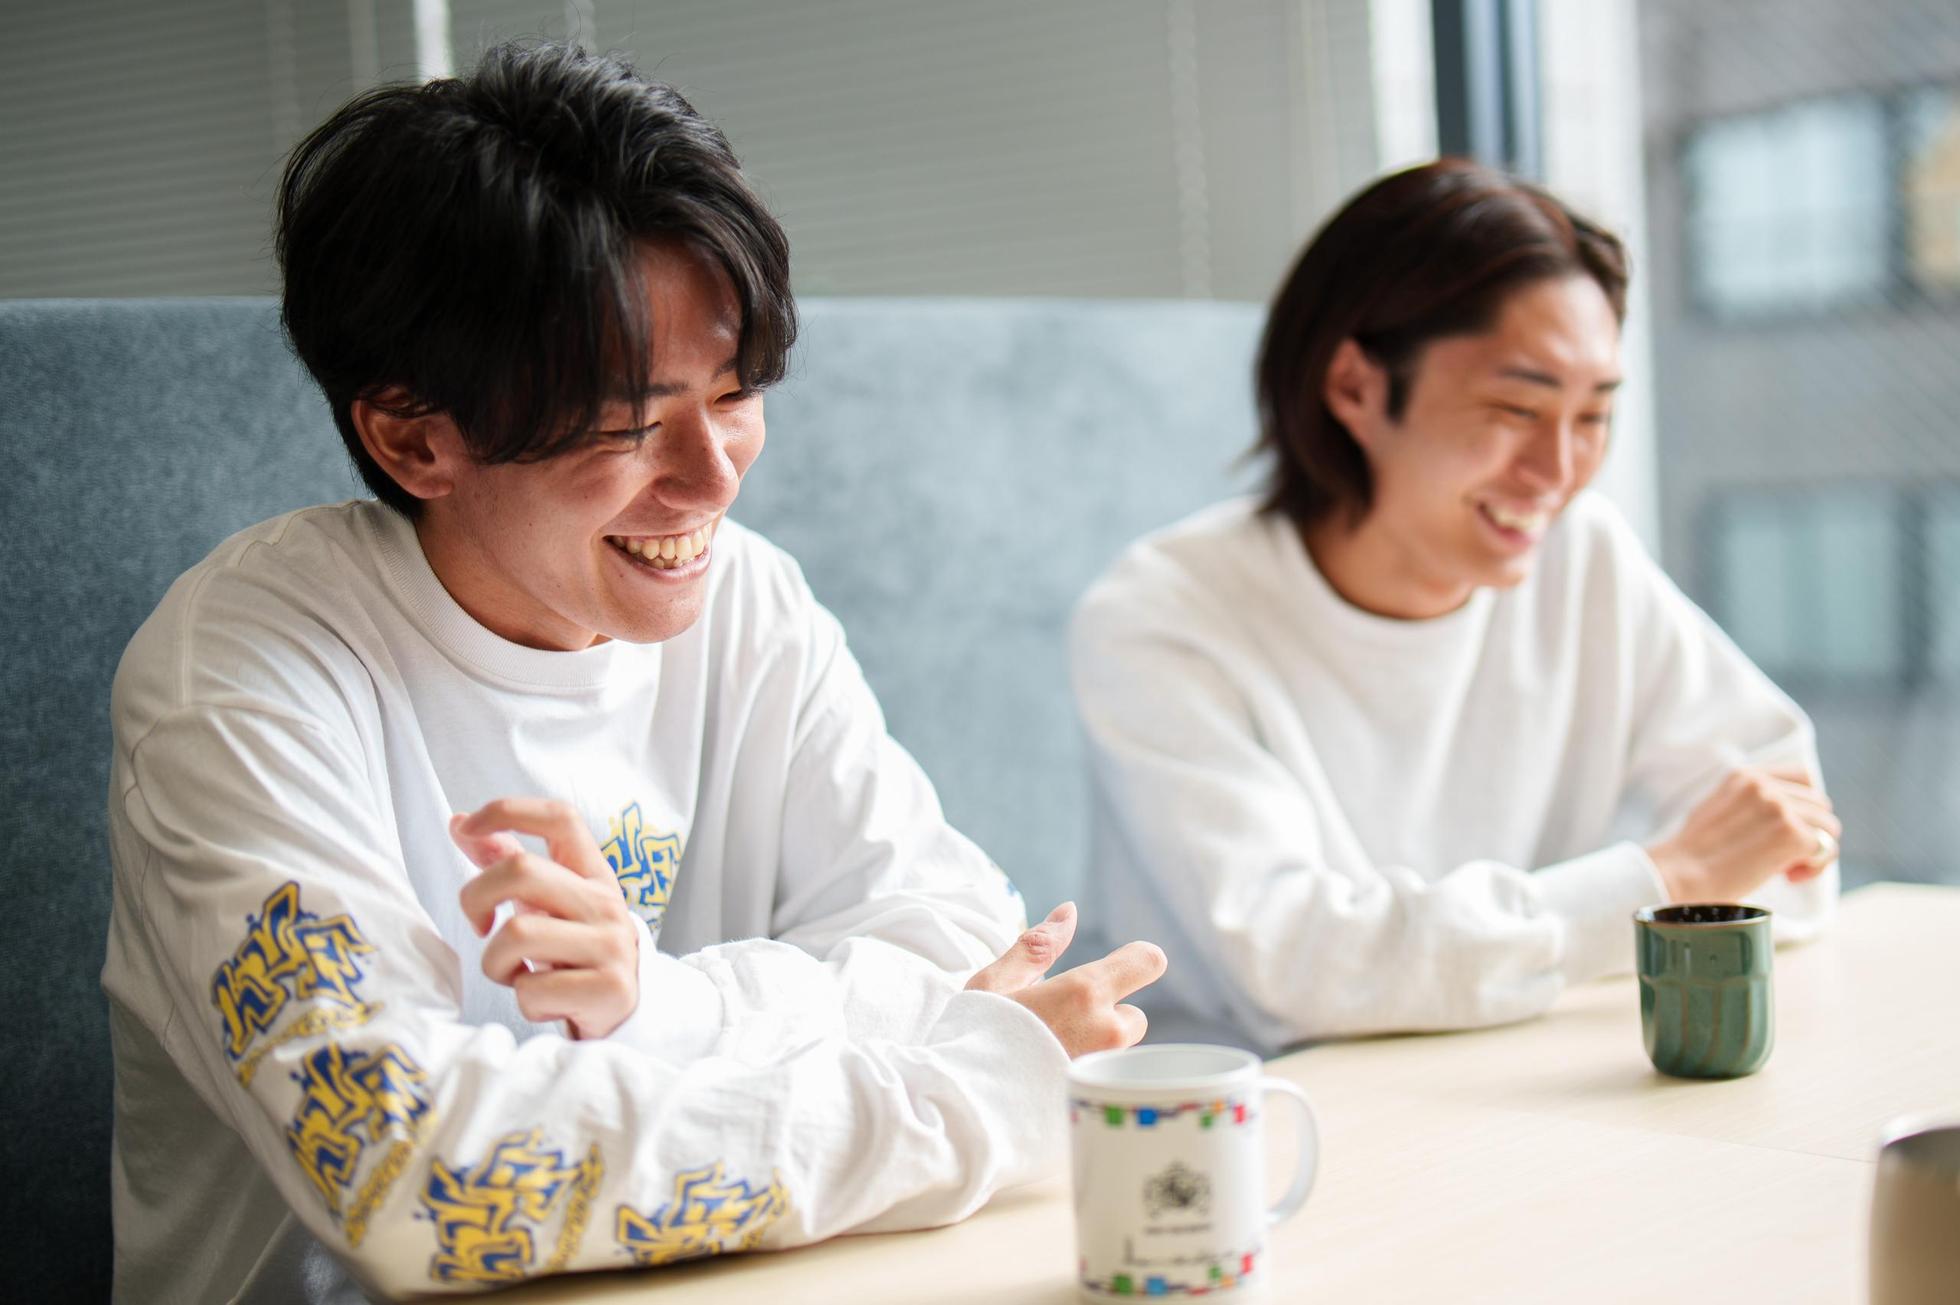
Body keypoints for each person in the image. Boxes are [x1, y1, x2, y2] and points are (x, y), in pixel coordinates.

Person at [102, 42, 1163, 1303]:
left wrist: (667, 1008)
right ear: (414, 437)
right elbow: (422, 1184)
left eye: (738, 393)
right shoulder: (239, 682)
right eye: (631, 423)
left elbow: (956, 936)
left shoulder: (744, 600)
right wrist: (973, 1090)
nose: (714, 478)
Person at [1068, 159, 1837, 1055]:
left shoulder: (1582, 556)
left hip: (1512, 1071)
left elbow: (1789, 851)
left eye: (1593, 417)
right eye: (1516, 408)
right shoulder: (1161, 618)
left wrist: (1518, 942)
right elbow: (1299, 970)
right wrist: (1667, 878)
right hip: (1267, 1104)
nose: (1558, 472)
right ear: (1354, 387)